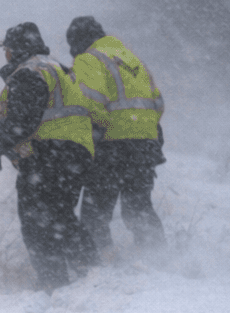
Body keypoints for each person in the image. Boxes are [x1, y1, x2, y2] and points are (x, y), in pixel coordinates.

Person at [0, 22, 102, 289]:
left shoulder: (29, 72)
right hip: (73, 155)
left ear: (14, 50)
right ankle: (92, 274)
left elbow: (23, 120)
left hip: (49, 154)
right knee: (61, 217)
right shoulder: (56, 67)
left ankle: (54, 282)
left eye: (7, 49)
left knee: (37, 222)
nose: (6, 55)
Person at [66, 16, 166, 252]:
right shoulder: (131, 59)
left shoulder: (89, 59)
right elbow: (158, 103)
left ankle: (99, 264)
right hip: (145, 144)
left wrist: (91, 135)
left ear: (79, 41)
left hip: (111, 145)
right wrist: (142, 128)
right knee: (138, 206)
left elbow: (90, 103)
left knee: (96, 212)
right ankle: (158, 257)